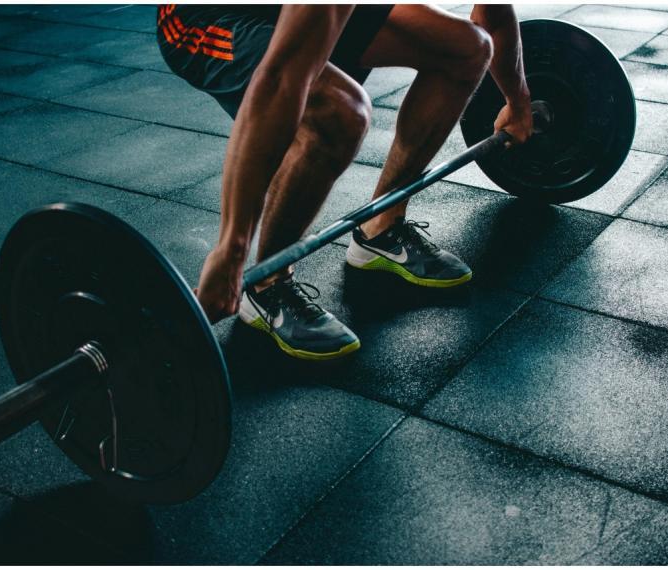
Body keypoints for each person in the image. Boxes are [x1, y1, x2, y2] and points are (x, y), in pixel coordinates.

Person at [157, 4, 533, 360]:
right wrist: (231, 250)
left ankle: (380, 228)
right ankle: (267, 285)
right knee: (341, 112)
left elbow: (494, 15)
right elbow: (281, 79)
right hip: (204, 16)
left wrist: (518, 102)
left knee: (467, 48)